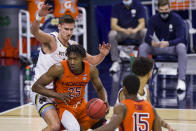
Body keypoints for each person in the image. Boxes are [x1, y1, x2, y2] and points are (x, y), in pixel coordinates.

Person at [30, 3, 110, 131]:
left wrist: (102, 55)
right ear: (59, 27)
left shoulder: (73, 46)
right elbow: (34, 31)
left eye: (71, 29)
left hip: (61, 94)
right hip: (42, 90)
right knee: (55, 126)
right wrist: (39, 17)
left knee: (71, 126)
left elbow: (92, 62)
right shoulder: (51, 40)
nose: (68, 32)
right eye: (66, 29)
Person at [32, 45, 109, 130]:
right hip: (64, 107)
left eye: (75, 59)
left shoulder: (91, 70)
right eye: (70, 58)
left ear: (83, 58)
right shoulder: (58, 68)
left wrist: (104, 101)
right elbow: (36, 87)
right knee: (73, 129)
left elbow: (100, 88)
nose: (72, 62)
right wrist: (58, 95)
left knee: (107, 126)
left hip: (81, 105)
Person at [116, 57, 176, 131]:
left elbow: (153, 115)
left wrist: (167, 126)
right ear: (149, 73)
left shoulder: (146, 91)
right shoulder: (126, 92)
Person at [139, 0, 187, 91]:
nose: (164, 12)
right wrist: (152, 43)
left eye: (166, 9)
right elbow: (147, 37)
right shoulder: (153, 19)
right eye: (162, 10)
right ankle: (144, 81)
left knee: (181, 47)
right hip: (157, 47)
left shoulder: (177, 19)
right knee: (143, 47)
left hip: (171, 47)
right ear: (158, 9)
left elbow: (181, 38)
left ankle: (181, 80)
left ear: (170, 8)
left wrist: (169, 43)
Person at [94, 74, 161, 131]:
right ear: (138, 89)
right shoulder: (151, 109)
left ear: (124, 89)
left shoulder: (122, 107)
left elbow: (111, 127)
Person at [109, 0, 147, 73]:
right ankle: (116, 61)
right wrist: (124, 30)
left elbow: (142, 23)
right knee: (112, 34)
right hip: (122, 32)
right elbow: (113, 25)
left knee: (145, 31)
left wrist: (135, 30)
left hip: (135, 32)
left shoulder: (138, 5)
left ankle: (142, 62)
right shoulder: (116, 6)